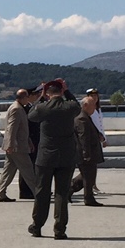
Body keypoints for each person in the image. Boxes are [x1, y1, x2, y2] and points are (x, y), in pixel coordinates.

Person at [26, 80, 80, 237]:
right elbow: (77, 105)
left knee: (42, 192)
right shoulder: (69, 107)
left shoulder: (43, 108)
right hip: (66, 156)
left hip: (46, 157)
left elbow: (31, 115)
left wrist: (41, 98)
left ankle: (37, 226)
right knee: (62, 194)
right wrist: (67, 92)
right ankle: (60, 229)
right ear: (61, 92)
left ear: (47, 94)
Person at [0, 88, 38, 203]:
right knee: (28, 169)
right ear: (23, 98)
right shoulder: (17, 109)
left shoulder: (17, 107)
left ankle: (1, 193)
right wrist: (10, 144)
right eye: (27, 98)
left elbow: (21, 128)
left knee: (8, 171)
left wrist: (28, 140)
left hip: (16, 145)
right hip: (17, 146)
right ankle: (38, 193)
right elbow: (12, 128)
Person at [67, 90, 104, 207]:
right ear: (86, 105)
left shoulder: (86, 117)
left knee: (87, 175)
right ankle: (88, 198)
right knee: (88, 177)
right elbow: (83, 138)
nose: (94, 107)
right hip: (86, 153)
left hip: (90, 151)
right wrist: (86, 153)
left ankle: (69, 189)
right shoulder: (82, 119)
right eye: (92, 104)